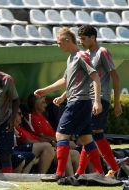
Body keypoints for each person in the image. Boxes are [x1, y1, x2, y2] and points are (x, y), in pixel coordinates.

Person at [34, 27, 103, 180]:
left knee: (60, 135)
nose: (58, 46)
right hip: (79, 102)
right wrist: (48, 91)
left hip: (78, 102)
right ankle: (99, 173)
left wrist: (97, 101)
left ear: (67, 41)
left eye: (59, 43)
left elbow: (96, 78)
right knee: (86, 139)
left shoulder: (81, 56)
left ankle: (59, 174)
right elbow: (67, 81)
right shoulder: (71, 57)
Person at [75, 25, 123, 178]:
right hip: (87, 99)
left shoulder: (103, 52)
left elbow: (115, 77)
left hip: (100, 98)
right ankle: (84, 172)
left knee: (92, 134)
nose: (81, 42)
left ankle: (111, 169)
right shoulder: (85, 54)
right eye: (80, 39)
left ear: (92, 38)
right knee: (90, 135)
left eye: (83, 39)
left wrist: (117, 102)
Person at [26, 93, 80, 176]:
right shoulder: (31, 116)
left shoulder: (44, 118)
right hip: (48, 148)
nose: (45, 102)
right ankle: (69, 177)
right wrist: (57, 141)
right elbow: (39, 136)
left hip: (55, 146)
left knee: (75, 153)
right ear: (35, 103)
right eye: (42, 99)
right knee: (65, 152)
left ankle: (77, 178)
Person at [14, 108, 55, 174]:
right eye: (19, 113)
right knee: (47, 147)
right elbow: (25, 141)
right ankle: (41, 176)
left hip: (32, 148)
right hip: (17, 150)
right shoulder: (13, 128)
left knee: (73, 153)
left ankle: (71, 177)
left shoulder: (21, 128)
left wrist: (51, 142)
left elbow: (37, 138)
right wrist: (49, 143)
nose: (21, 116)